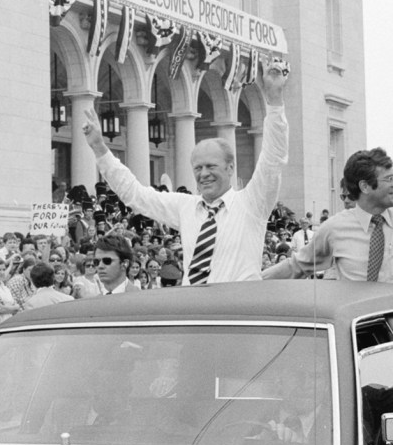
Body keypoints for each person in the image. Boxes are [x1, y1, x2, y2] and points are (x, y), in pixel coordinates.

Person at [82, 59, 289, 284]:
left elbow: (273, 159)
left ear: (231, 168)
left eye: (211, 166)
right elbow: (135, 195)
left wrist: (274, 101)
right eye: (198, 168)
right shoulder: (185, 207)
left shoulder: (252, 203)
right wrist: (99, 148)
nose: (204, 174)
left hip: (237, 312)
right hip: (194, 311)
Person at [263, 148, 393, 281]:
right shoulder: (334, 228)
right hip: (354, 301)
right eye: (390, 179)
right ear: (365, 186)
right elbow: (297, 265)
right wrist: (250, 284)